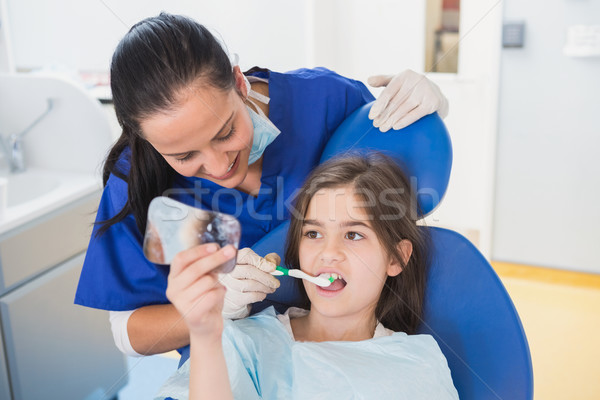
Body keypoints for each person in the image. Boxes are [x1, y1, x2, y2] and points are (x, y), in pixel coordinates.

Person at [74, 12, 450, 364]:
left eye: (226, 133)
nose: (220, 167)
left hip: (354, 358)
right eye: (186, 155)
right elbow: (128, 332)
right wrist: (212, 306)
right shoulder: (135, 179)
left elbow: (406, 178)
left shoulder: (324, 103)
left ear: (239, 84)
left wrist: (429, 112)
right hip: (230, 372)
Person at [155, 153, 459, 399]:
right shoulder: (243, 344)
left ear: (396, 258)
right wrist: (205, 334)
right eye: (313, 233)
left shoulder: (417, 364)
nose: (328, 252)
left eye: (353, 235)